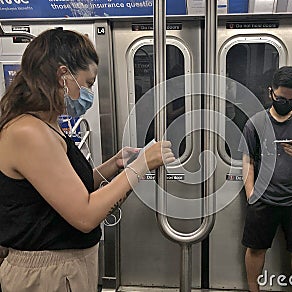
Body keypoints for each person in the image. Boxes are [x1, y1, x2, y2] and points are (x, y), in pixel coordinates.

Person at [0, 28, 175, 292]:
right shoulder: (28, 132)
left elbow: (69, 188)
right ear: (63, 76)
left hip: (64, 269)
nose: (89, 92)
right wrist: (140, 167)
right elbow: (84, 214)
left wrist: (116, 164)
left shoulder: (48, 124)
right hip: (46, 274)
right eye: (88, 83)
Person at [238, 66, 292, 292]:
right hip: (264, 197)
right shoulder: (255, 123)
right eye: (282, 98)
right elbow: (248, 161)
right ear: (271, 93)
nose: (287, 103)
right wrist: (250, 194)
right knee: (255, 248)